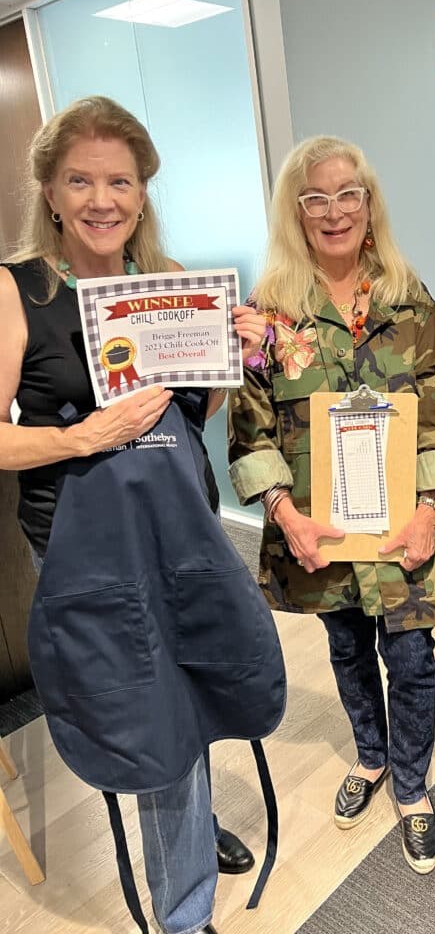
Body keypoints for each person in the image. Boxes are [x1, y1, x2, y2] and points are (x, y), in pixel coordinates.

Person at [0, 96, 282, 934]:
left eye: (119, 181)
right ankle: (187, 911)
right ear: (49, 191)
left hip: (183, 529)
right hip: (87, 552)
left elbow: (191, 420)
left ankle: (188, 830)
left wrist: (235, 356)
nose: (101, 199)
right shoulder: (18, 291)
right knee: (141, 702)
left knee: (192, 677)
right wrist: (84, 434)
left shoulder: (167, 289)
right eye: (79, 180)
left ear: (142, 192)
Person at [228, 135, 435, 874]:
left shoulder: (407, 295)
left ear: (370, 204)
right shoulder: (268, 312)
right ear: (295, 213)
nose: (335, 212)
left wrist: (429, 509)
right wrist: (285, 515)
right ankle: (370, 758)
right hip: (320, 532)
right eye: (316, 198)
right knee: (346, 651)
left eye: (348, 194)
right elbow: (250, 425)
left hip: (402, 526)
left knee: (412, 655)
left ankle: (411, 783)